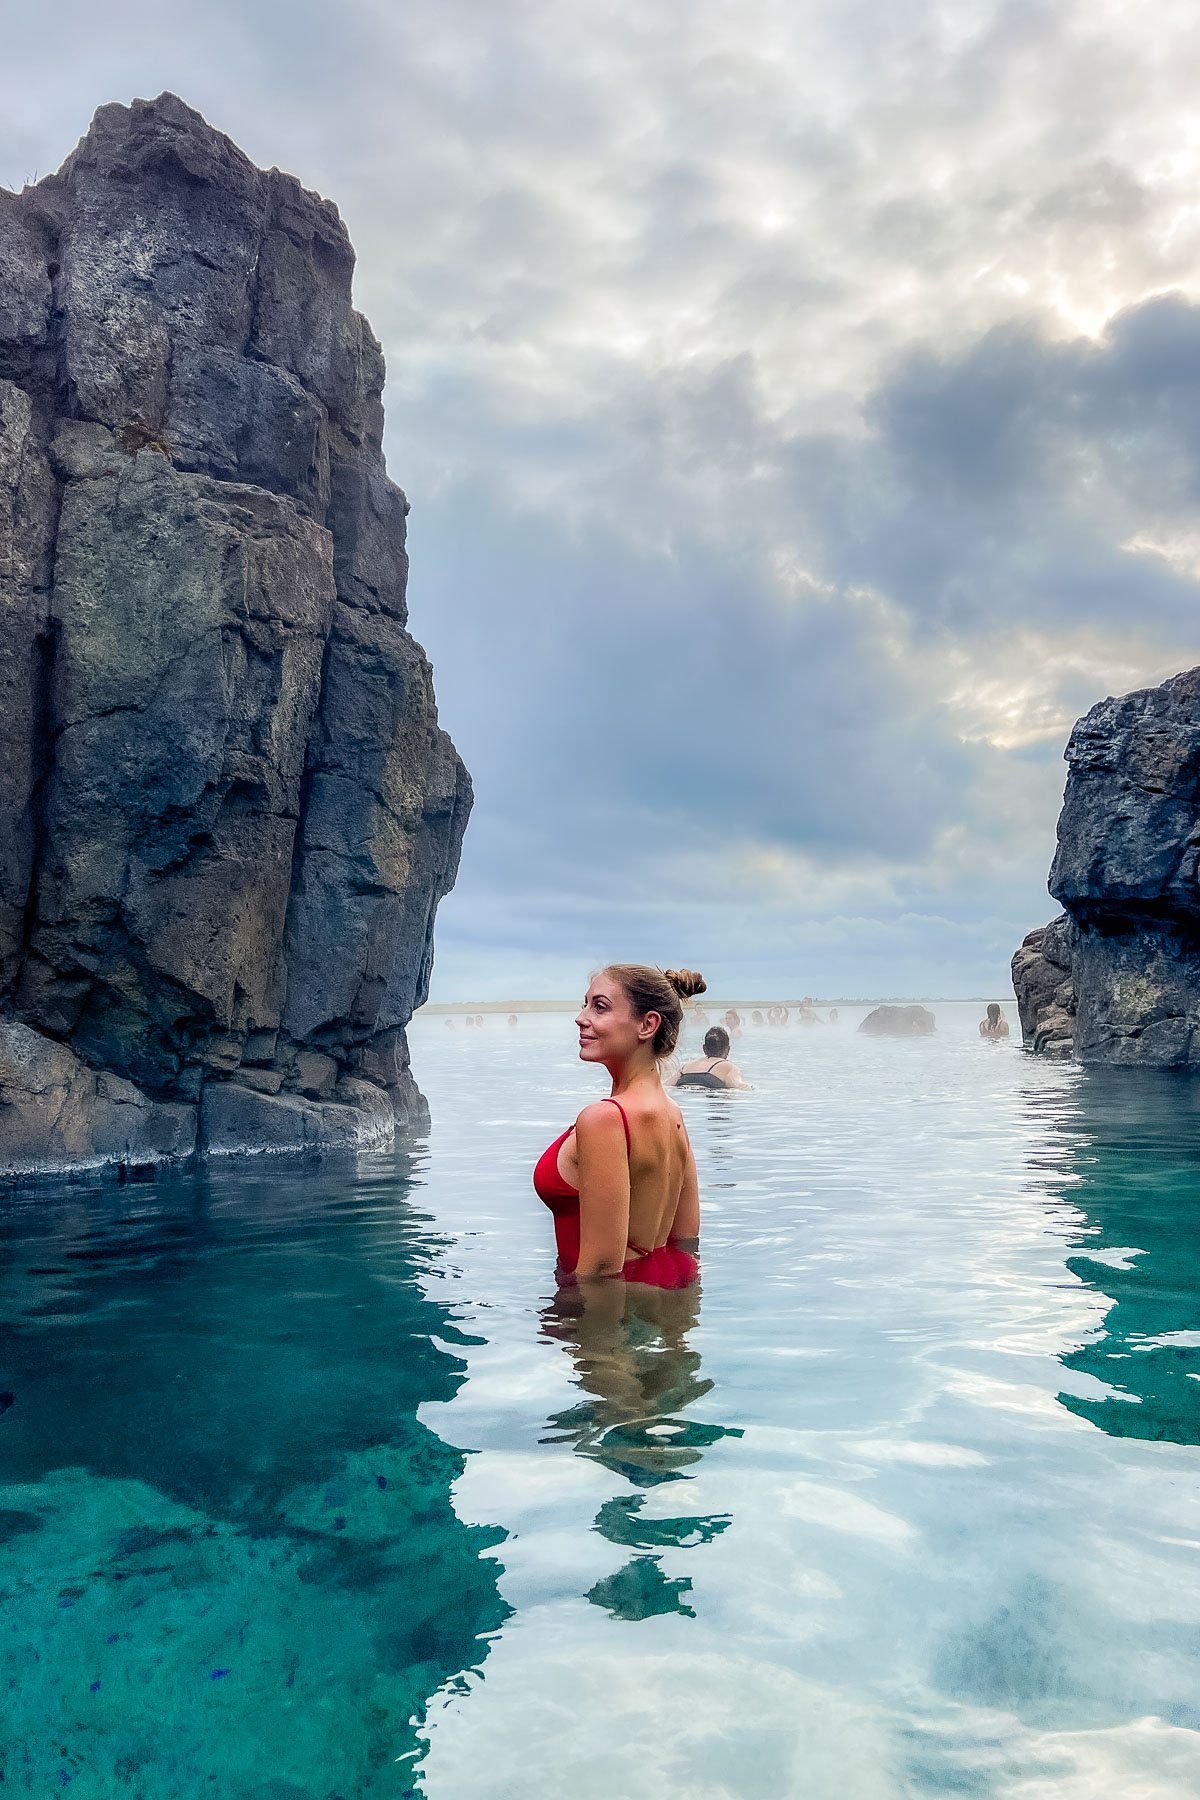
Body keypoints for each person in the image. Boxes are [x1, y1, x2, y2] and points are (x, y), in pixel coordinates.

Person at [534, 965, 705, 1289]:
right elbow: (685, 1242)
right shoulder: (673, 1116)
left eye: (599, 1007)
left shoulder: (605, 1119)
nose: (581, 1017)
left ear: (647, 1024)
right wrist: (676, 1334)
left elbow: (600, 1269)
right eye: (584, 1004)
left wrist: (592, 1336)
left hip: (602, 1316)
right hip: (658, 1298)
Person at [669, 1025, 750, 1091]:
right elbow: (738, 1086)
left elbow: (666, 1085)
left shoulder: (686, 1067)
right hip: (710, 1090)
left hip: (683, 1088)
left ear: (704, 1048)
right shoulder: (728, 1067)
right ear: (728, 1049)